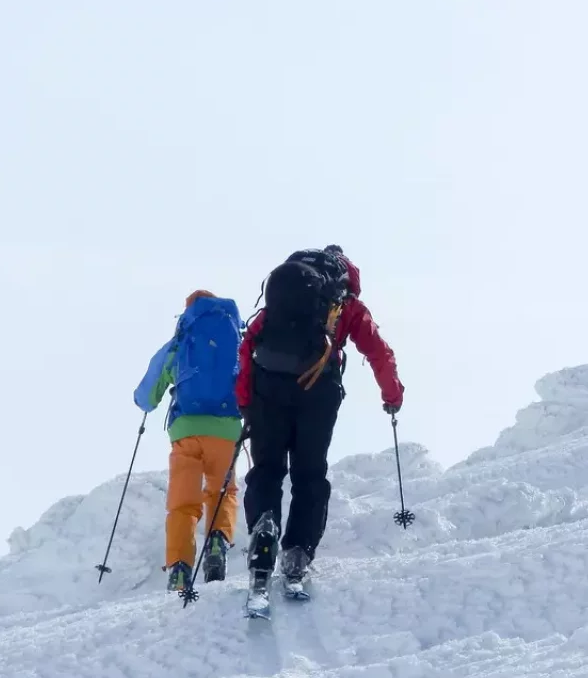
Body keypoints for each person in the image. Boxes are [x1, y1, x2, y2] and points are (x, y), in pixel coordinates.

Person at [236, 245, 403, 591]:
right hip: (318, 390)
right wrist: (392, 395)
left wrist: (245, 400)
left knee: (266, 469)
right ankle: (297, 551)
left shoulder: (281, 301)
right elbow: (377, 351)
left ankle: (265, 527)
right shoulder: (344, 303)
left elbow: (248, 344)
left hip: (268, 387)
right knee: (309, 472)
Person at [133, 290, 245, 594]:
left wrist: (146, 403)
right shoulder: (238, 339)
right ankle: (218, 543)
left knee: (183, 503)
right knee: (222, 491)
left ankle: (180, 567)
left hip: (186, 431)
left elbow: (147, 394)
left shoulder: (182, 339)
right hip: (226, 429)